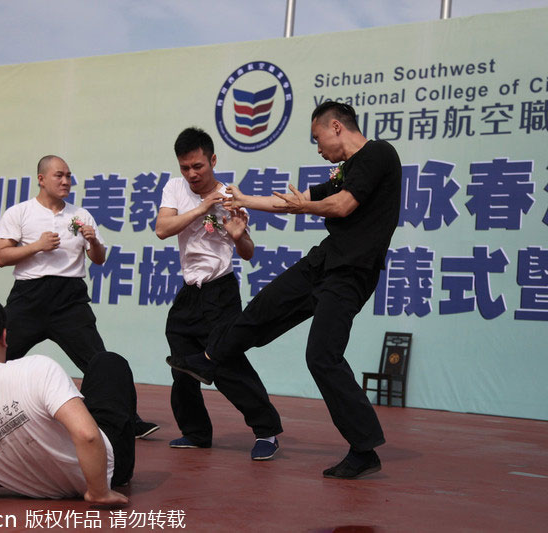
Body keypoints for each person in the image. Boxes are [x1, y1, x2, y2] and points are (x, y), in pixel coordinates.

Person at [168, 102, 402, 479]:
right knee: (264, 307)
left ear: (337, 127)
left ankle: (364, 449)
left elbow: (341, 206)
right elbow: (292, 200)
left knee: (321, 356)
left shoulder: (379, 154)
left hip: (352, 273)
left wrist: (303, 206)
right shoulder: (346, 171)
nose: (318, 147)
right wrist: (244, 201)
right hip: (325, 261)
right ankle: (209, 359)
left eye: (317, 138)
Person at [0, 155, 158, 439]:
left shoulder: (80, 215)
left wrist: (93, 241)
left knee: (100, 361)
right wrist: (36, 247)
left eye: (69, 176)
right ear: (41, 179)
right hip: (29, 297)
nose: (66, 181)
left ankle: (128, 420)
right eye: (59, 176)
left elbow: (99, 258)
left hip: (69, 300)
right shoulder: (19, 213)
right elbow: (1, 256)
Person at [0, 289, 135, 504]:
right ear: (5, 337)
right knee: (108, 364)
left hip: (40, 490)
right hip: (106, 473)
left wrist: (5, 476)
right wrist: (99, 492)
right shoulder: (36, 369)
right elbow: (87, 435)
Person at [156, 127, 282, 460]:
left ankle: (266, 430)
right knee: (182, 364)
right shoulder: (175, 188)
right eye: (185, 167)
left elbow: (248, 252)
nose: (192, 174)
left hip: (220, 292)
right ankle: (196, 432)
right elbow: (162, 229)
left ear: (213, 160)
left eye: (198, 166)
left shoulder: (230, 196)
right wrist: (201, 208)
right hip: (189, 292)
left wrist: (239, 236)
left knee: (226, 363)